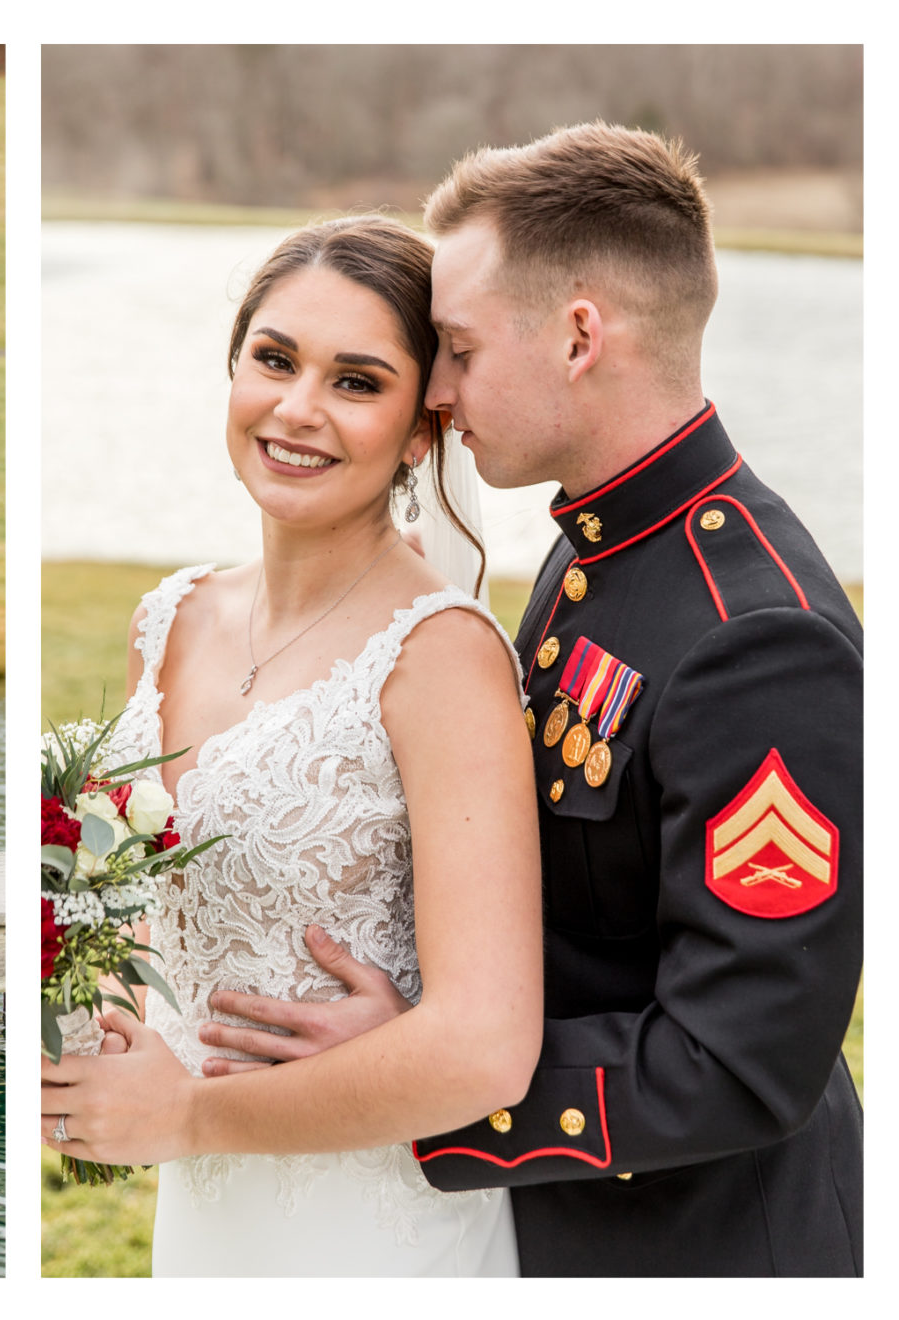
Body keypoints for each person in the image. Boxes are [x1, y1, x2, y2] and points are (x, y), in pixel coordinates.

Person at [85, 124, 866, 1277]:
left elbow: (742, 1063)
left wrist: (429, 1081)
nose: (440, 394)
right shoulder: (594, 549)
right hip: (527, 1221)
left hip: (695, 1253)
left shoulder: (756, 634)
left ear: (578, 333)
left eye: (452, 349)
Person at [41, 215, 545, 1276]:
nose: (296, 409)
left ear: (420, 428)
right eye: (273, 360)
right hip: (206, 1217)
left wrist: (184, 1119)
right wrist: (89, 1031)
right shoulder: (165, 620)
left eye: (356, 382)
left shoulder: (439, 656)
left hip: (370, 1224)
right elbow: (133, 912)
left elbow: (486, 1049)